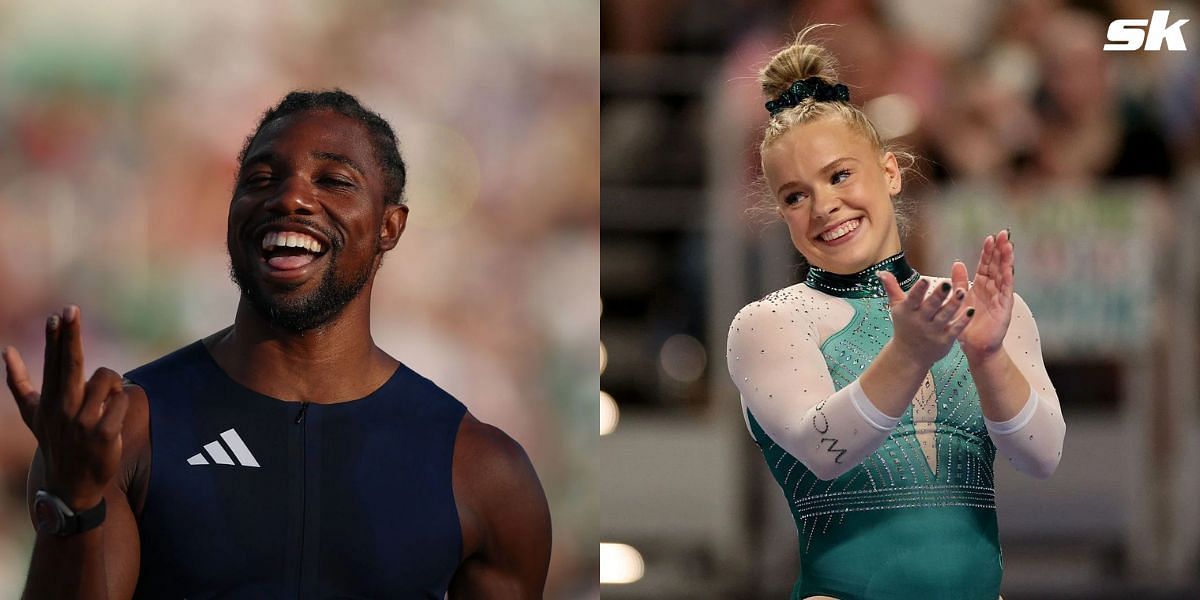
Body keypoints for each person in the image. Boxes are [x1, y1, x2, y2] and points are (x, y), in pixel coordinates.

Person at [2, 90, 552, 599]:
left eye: (334, 180)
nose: (290, 198)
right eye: (260, 179)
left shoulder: (483, 470)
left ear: (390, 226)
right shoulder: (123, 432)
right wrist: (72, 506)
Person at [726, 29, 1065, 600]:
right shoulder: (771, 323)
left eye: (839, 175)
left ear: (889, 172)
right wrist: (908, 353)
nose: (824, 205)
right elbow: (823, 451)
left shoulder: (979, 311)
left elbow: (1041, 456)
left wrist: (985, 355)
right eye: (794, 195)